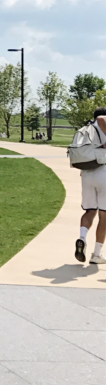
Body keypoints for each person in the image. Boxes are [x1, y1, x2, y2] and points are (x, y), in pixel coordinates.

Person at [75, 107, 106, 266]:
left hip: (87, 174)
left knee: (89, 211)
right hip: (103, 173)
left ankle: (82, 238)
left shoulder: (87, 129)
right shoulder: (103, 121)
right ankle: (97, 253)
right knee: (104, 215)